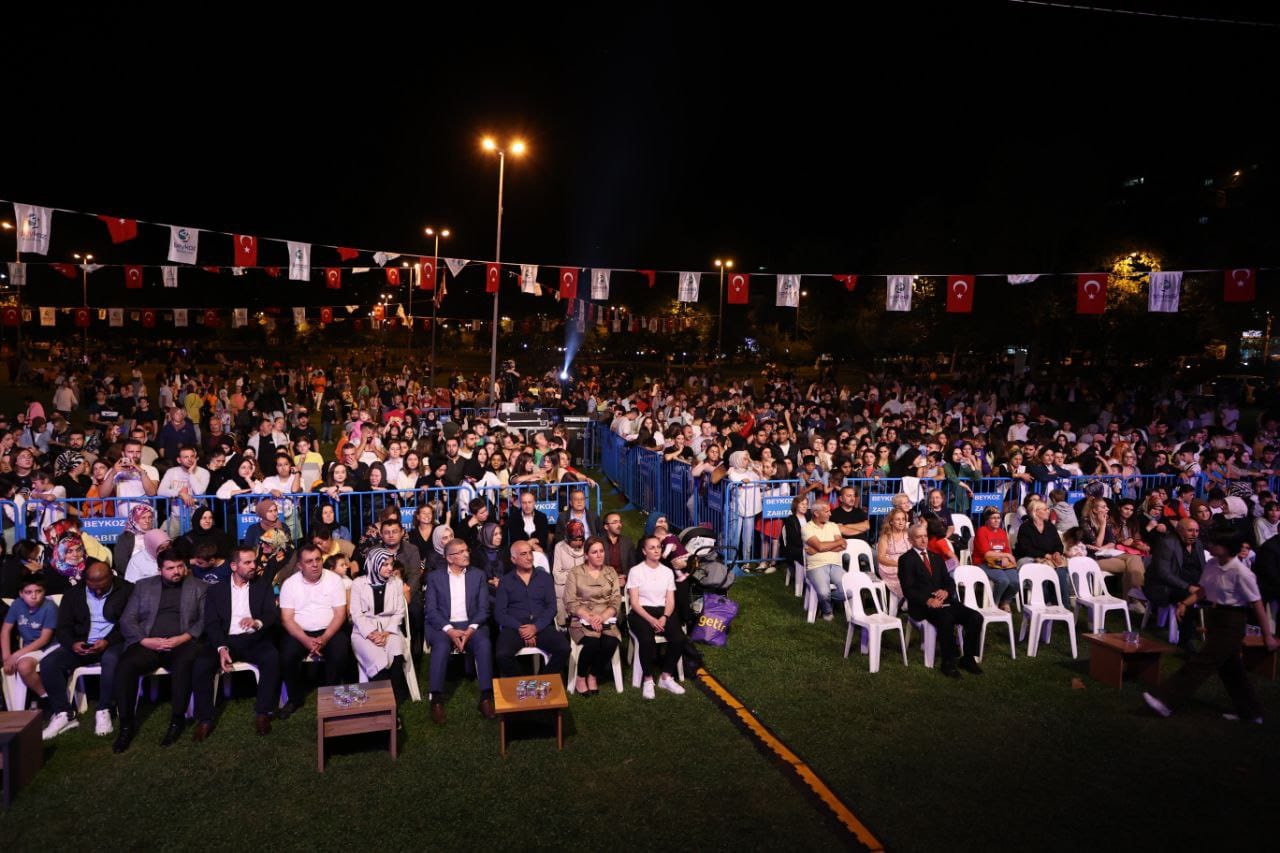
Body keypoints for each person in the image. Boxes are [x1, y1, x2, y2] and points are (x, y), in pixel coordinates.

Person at [1144, 529, 1279, 724]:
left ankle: (1165, 700)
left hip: (1233, 620)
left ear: (1227, 548)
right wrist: (1185, 603)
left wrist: (1268, 636)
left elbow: (1257, 604)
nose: (1210, 546)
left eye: (1216, 543)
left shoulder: (1241, 573)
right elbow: (1203, 590)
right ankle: (1252, 712)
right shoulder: (1212, 564)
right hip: (1216, 617)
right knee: (1231, 670)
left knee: (1203, 662)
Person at [112, 548, 208, 753]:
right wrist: (145, 641)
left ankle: (177, 720)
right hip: (149, 643)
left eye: (180, 566)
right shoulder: (143, 586)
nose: (177, 571)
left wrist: (182, 638)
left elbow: (204, 620)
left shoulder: (199, 587)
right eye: (170, 568)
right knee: (125, 666)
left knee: (184, 664)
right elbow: (127, 619)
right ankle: (126, 725)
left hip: (181, 643)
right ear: (159, 569)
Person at [189, 546, 280, 740]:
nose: (253, 566)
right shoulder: (216, 590)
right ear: (233, 566)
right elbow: (212, 623)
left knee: (271, 657)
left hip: (253, 639)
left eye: (254, 562)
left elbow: (272, 614)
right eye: (247, 563)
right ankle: (205, 719)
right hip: (225, 639)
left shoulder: (262, 586)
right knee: (202, 664)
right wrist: (221, 648)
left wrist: (257, 622)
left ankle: (263, 713)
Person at [40, 561, 133, 739]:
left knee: (111, 660)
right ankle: (64, 714)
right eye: (93, 587)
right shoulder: (73, 593)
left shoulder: (127, 590)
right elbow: (63, 628)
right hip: (82, 644)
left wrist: (107, 641)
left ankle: (104, 709)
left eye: (102, 587)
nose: (97, 591)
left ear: (111, 577)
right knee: (49, 663)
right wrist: (73, 644)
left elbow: (129, 624)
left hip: (112, 642)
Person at [898, 522, 985, 678]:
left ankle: (968, 658)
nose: (923, 540)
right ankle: (948, 662)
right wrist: (928, 600)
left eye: (925, 536)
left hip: (945, 601)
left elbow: (949, 581)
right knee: (946, 619)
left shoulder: (936, 558)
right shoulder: (906, 560)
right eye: (918, 537)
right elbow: (908, 589)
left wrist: (946, 591)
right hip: (923, 606)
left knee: (975, 617)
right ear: (910, 540)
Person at [424, 538, 496, 724]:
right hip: (443, 625)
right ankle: (436, 700)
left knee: (484, 643)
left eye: (466, 550)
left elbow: (484, 609)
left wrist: (470, 629)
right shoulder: (434, 577)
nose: (466, 554)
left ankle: (486, 697)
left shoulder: (478, 575)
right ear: (449, 558)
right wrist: (449, 630)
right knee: (441, 646)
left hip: (472, 624)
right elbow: (431, 611)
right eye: (461, 552)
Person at [277, 543, 352, 717]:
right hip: (299, 632)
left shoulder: (334, 580)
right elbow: (287, 619)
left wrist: (325, 637)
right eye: (309, 561)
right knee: (287, 655)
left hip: (329, 629)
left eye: (318, 559)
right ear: (299, 565)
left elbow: (340, 614)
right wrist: (306, 640)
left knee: (340, 651)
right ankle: (295, 698)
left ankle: (332, 695)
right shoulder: (290, 584)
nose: (315, 564)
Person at [349, 547, 411, 720]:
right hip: (364, 631)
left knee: (396, 654)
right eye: (385, 564)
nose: (390, 568)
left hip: (389, 629)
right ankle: (383, 707)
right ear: (374, 565)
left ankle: (394, 702)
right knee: (378, 661)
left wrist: (388, 632)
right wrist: (371, 634)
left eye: (391, 564)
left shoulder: (396, 582)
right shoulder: (358, 584)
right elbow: (356, 614)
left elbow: (399, 611)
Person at [494, 540, 570, 677]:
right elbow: (500, 613)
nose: (529, 557)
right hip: (514, 628)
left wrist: (535, 627)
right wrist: (521, 628)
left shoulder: (545, 578)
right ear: (513, 559)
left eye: (530, 553)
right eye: (524, 554)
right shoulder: (505, 581)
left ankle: (543, 681)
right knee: (502, 654)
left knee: (564, 648)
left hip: (541, 626)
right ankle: (522, 684)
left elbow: (551, 607)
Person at [626, 536, 687, 699]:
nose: (656, 550)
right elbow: (634, 602)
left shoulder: (667, 572)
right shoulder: (636, 571)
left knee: (679, 638)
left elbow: (670, 600)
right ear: (644, 551)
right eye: (652, 547)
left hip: (663, 611)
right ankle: (647, 679)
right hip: (641, 612)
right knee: (646, 640)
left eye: (659, 547)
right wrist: (651, 620)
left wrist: (665, 617)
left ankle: (666, 676)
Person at [566, 536, 622, 695]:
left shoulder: (610, 572)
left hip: (606, 617)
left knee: (611, 642)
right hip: (582, 619)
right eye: (594, 552)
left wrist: (602, 617)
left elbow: (616, 599)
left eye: (601, 551)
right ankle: (580, 677)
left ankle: (593, 675)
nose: (599, 555)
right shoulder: (575, 573)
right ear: (586, 555)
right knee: (593, 642)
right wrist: (589, 618)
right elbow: (570, 601)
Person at [1145, 519, 1207, 648]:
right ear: (1179, 530)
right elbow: (1163, 573)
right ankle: (1186, 641)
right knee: (1186, 597)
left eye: (1197, 531)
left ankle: (1210, 634)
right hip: (1166, 586)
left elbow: (1203, 568)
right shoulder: (1167, 543)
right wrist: (1188, 587)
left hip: (1193, 584)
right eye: (1190, 530)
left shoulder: (1198, 544)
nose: (1194, 534)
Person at [2, 577, 58, 710]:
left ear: (44, 592)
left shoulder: (50, 607)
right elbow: (5, 630)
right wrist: (6, 657)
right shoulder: (17, 604)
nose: (34, 596)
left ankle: (48, 701)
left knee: (24, 666)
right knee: (23, 666)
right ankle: (43, 697)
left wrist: (15, 655)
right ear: (21, 593)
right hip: (31, 647)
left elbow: (44, 639)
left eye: (38, 591)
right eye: (28, 592)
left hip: (51, 646)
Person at [971, 507, 1018, 611]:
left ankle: (1005, 601)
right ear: (987, 520)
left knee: (1015, 581)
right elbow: (987, 554)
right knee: (1003, 580)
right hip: (983, 563)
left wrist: (1006, 557)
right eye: (993, 518)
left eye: (998, 517)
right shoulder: (982, 531)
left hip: (1001, 562)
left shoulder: (1002, 532)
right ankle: (994, 604)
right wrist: (1006, 556)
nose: (997, 520)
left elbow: (1007, 550)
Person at [874, 506, 911, 604]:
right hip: (889, 565)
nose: (901, 522)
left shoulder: (909, 534)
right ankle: (905, 599)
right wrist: (898, 564)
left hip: (907, 563)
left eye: (903, 519)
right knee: (905, 574)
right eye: (898, 519)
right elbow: (881, 557)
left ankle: (910, 600)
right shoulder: (885, 537)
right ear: (891, 522)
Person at [504, 490, 550, 554]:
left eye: (529, 502)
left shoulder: (542, 517)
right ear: (520, 504)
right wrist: (533, 543)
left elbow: (543, 538)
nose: (527, 505)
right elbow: (516, 539)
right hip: (520, 551)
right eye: (524, 503)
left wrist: (535, 543)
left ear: (534, 503)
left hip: (538, 550)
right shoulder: (514, 518)